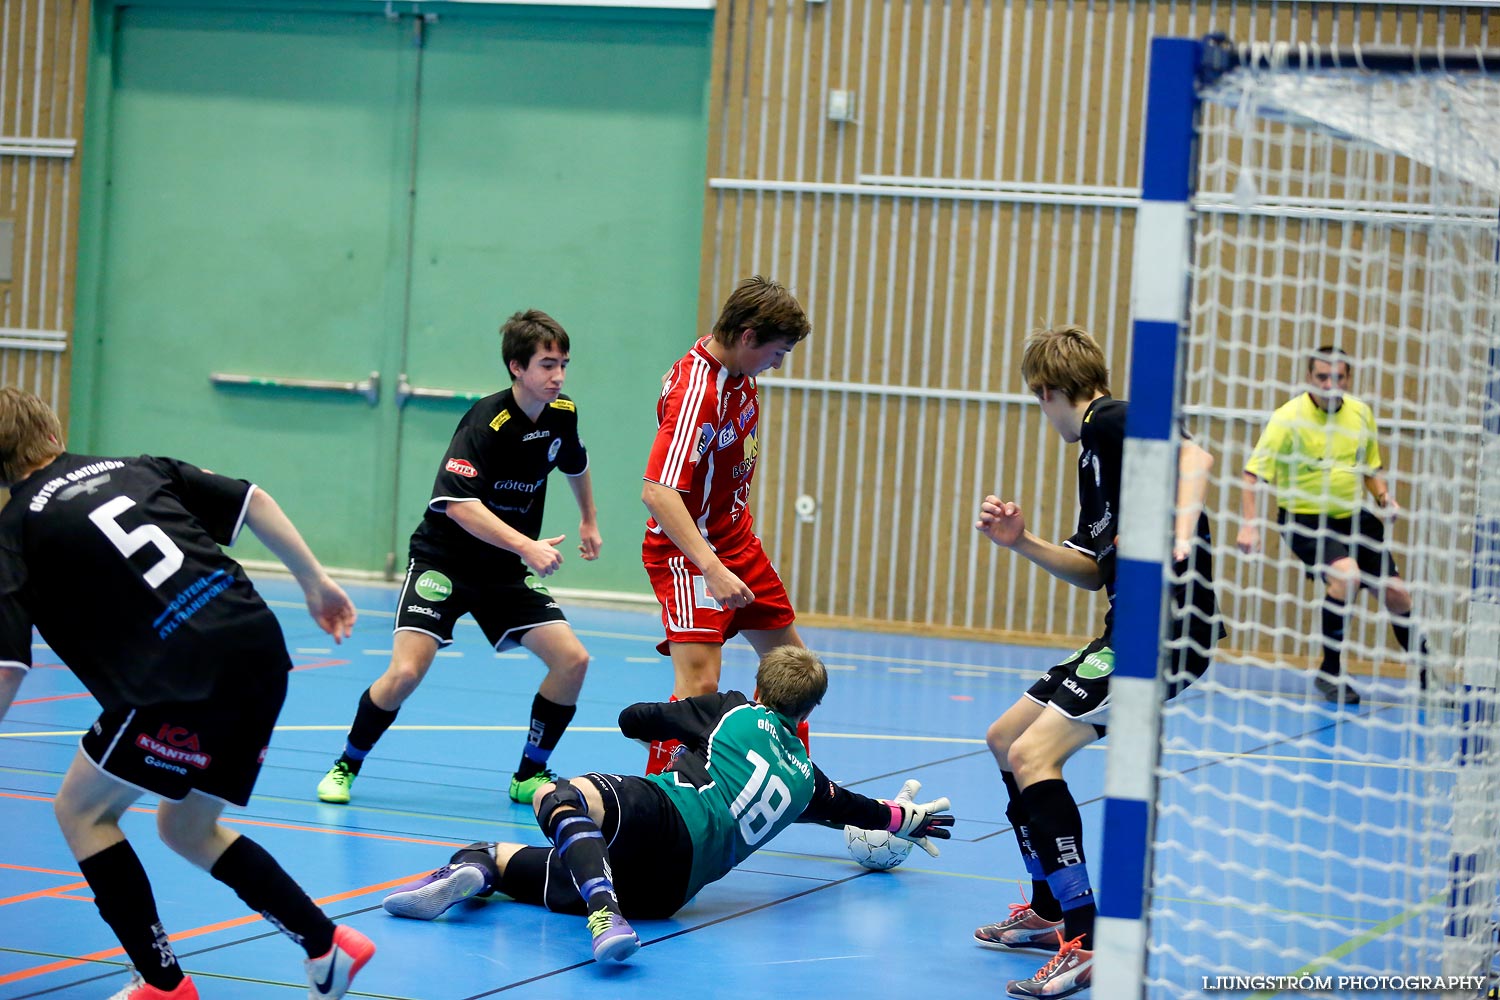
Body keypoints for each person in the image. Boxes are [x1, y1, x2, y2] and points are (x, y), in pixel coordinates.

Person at [0, 388, 374, 1000]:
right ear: (51, 434)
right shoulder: (136, 467)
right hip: (256, 647)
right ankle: (324, 941)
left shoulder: (14, 530)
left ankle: (164, 985)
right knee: (187, 825)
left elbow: (8, 666)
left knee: (82, 811)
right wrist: (317, 582)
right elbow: (252, 500)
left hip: (179, 675)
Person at [377, 645, 953, 964]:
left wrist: (683, 722)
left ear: (759, 688)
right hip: (670, 894)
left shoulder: (730, 709)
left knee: (562, 794)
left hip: (666, 813)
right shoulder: (807, 782)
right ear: (807, 714)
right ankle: (478, 873)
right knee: (494, 857)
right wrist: (910, 818)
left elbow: (633, 719)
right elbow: (860, 811)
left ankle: (602, 908)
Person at [971, 326, 1221, 1000]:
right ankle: (1049, 908)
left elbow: (1194, 456)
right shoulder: (1092, 459)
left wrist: (1175, 533)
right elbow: (1091, 569)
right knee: (1003, 739)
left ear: (1048, 391)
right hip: (1124, 629)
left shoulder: (1108, 420)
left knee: (1034, 757)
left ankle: (1084, 938)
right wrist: (1021, 542)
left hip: (1166, 633)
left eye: (1037, 401)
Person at [317, 309, 601, 807]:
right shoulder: (484, 423)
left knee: (573, 661)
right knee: (405, 673)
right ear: (516, 367)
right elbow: (458, 505)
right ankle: (347, 763)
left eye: (563, 365)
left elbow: (575, 462)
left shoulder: (563, 412)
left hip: (503, 571)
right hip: (444, 562)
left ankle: (529, 773)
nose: (557, 376)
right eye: (546, 365)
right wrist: (526, 545)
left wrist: (588, 520)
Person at [639, 276, 813, 774]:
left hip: (737, 540)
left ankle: (774, 783)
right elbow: (658, 491)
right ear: (748, 336)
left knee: (793, 673)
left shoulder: (739, 372)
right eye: (777, 352)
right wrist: (711, 567)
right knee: (699, 688)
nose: (778, 365)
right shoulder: (698, 393)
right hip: (689, 554)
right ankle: (660, 801)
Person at [1237, 344, 1426, 705]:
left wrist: (1384, 498)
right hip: (1303, 519)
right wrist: (1249, 525)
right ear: (1309, 378)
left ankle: (1426, 672)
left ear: (1348, 378)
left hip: (1353, 518)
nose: (1330, 383)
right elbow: (1251, 476)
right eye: (1322, 377)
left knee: (1398, 594)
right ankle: (1331, 671)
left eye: (1338, 377)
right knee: (1347, 575)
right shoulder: (1288, 418)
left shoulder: (1360, 415)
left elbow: (1371, 469)